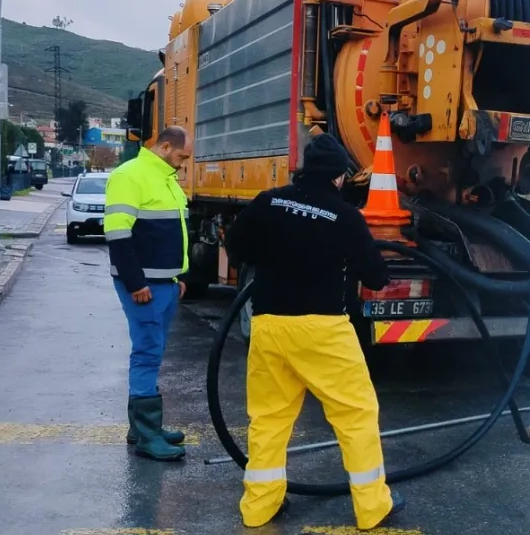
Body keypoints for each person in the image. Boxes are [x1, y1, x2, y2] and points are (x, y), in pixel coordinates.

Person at [224, 133, 406, 531]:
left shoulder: (268, 202)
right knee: (355, 415)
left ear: (304, 168)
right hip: (323, 330)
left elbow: (236, 244)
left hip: (269, 325)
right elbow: (374, 277)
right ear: (340, 177)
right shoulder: (345, 217)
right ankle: (372, 507)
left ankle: (260, 506)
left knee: (269, 419)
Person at [104, 126, 193, 461]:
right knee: (147, 351)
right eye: (182, 156)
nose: (184, 163)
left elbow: (173, 231)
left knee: (151, 350)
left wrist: (178, 277)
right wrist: (135, 283)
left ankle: (142, 428)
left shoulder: (165, 177)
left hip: (164, 283)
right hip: (143, 285)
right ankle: (147, 436)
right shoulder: (130, 176)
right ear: (165, 146)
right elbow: (117, 234)